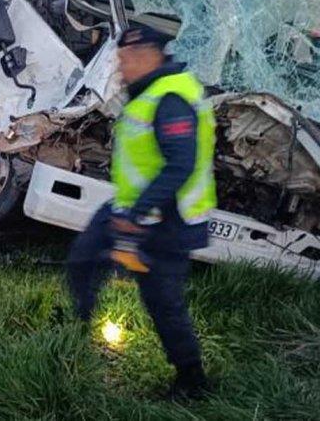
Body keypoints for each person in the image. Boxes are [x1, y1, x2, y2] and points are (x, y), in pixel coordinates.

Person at [66, 23, 217, 400]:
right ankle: (71, 333)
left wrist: (136, 217)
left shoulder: (171, 98)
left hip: (169, 217)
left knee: (162, 301)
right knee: (84, 258)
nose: (121, 68)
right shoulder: (149, 91)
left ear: (149, 55)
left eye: (125, 60)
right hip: (133, 205)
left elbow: (180, 166)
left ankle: (191, 380)